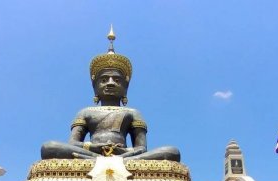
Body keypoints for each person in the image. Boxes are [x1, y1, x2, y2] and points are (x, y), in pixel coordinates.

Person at [40, 30, 180, 161]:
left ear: (125, 88)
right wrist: (94, 148)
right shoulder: (85, 112)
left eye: (117, 80)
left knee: (172, 152)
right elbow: (73, 143)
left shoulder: (133, 112)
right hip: (92, 152)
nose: (110, 83)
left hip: (125, 154)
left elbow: (141, 148)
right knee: (49, 147)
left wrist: (125, 153)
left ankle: (113, 160)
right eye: (104, 80)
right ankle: (99, 158)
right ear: (95, 88)